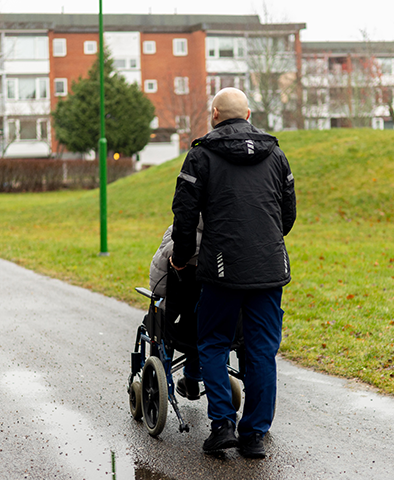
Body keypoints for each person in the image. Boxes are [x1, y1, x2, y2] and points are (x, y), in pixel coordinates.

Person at [169, 87, 297, 458]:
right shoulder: (277, 156)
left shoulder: (201, 155)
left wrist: (180, 258)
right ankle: (254, 434)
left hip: (221, 269)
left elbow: (184, 215)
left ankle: (222, 424)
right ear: (249, 113)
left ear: (214, 114)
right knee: (260, 351)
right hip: (270, 267)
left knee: (212, 342)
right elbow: (287, 215)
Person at [149, 219, 203, 399]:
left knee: (157, 319)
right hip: (214, 323)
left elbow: (158, 287)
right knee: (201, 326)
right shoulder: (226, 236)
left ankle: (161, 377)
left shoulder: (176, 237)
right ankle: (193, 377)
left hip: (177, 325)